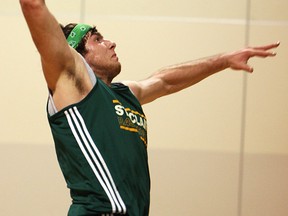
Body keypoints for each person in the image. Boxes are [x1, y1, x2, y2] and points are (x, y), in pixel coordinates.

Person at [19, 0, 279, 215]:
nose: (111, 43)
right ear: (78, 55)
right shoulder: (72, 82)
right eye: (97, 39)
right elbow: (33, 6)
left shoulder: (124, 94)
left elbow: (165, 81)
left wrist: (223, 60)